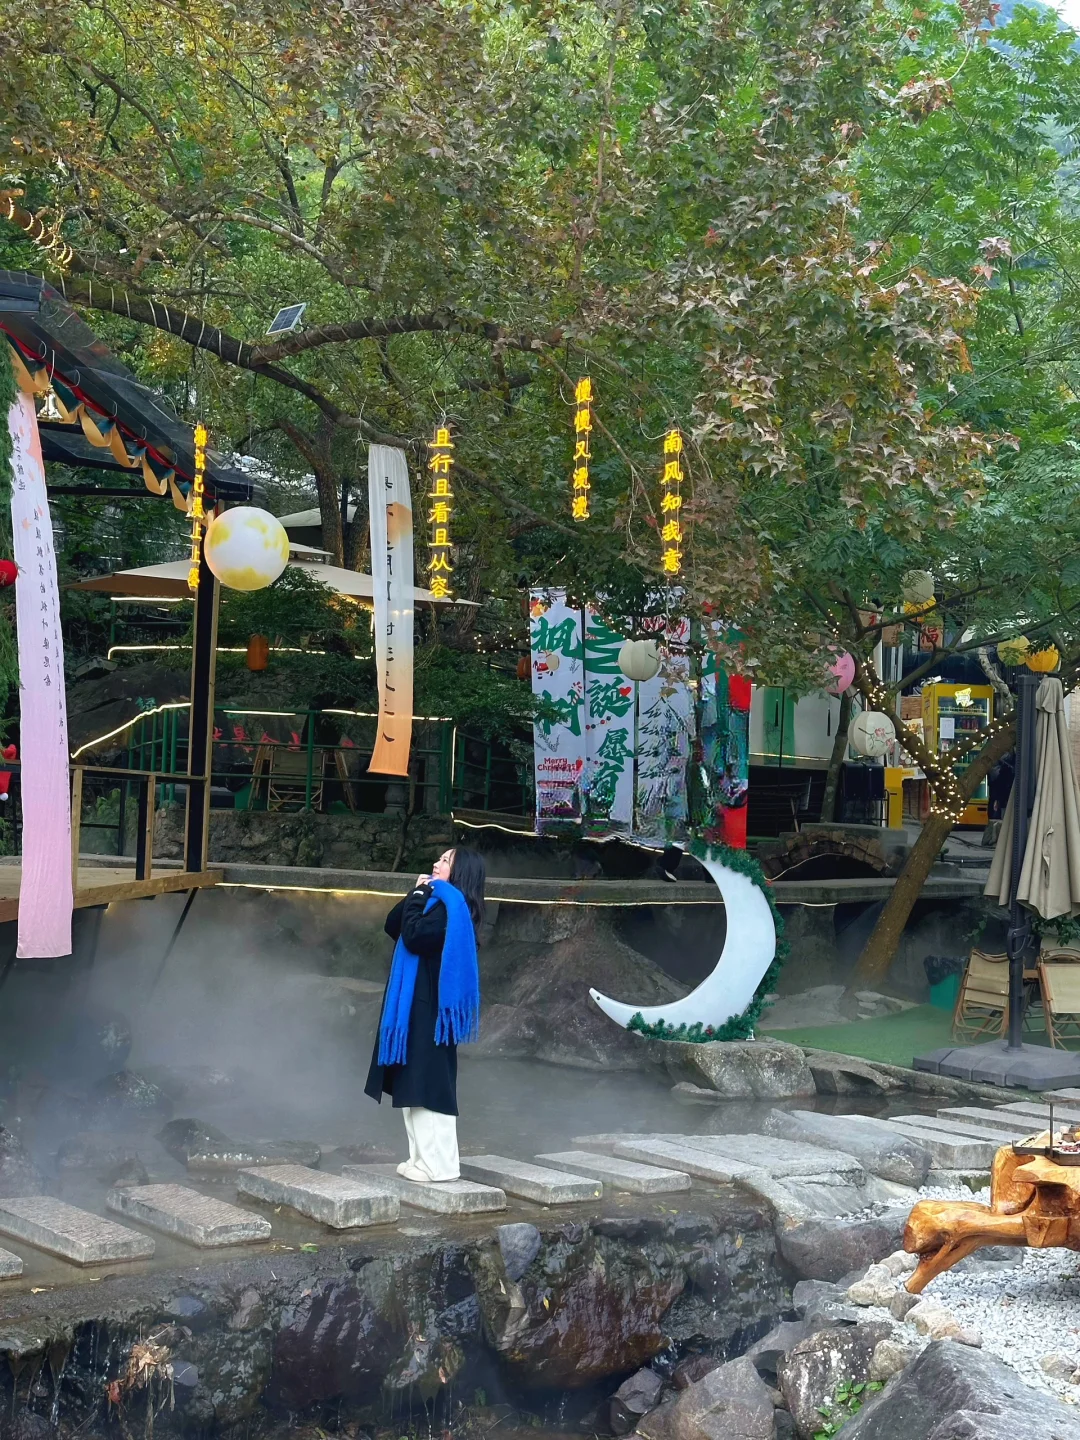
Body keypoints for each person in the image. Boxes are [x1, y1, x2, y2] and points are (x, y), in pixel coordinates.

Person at [364, 846, 485, 1182]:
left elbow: (415, 936)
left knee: (429, 1086)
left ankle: (440, 1167)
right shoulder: (434, 902)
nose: (436, 863)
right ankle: (420, 1160)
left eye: (445, 861)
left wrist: (419, 895)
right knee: (411, 1084)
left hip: (432, 1011)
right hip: (413, 1007)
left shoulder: (453, 910)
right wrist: (415, 894)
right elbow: (394, 925)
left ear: (460, 873)